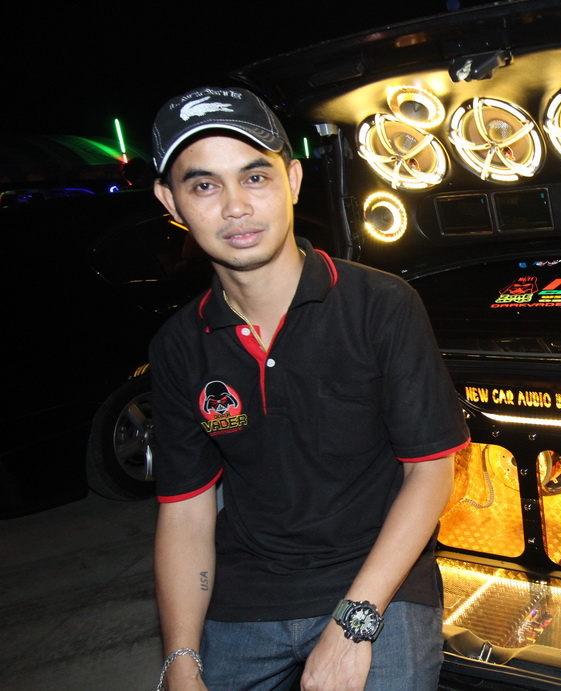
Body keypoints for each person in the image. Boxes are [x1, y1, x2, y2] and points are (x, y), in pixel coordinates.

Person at [148, 86, 469, 691]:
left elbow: (430, 472)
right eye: (205, 185)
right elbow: (186, 511)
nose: (236, 207)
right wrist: (180, 659)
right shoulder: (178, 345)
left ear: (293, 181)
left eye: (255, 177)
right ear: (172, 201)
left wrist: (352, 626)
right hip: (248, 592)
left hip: (377, 579)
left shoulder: (381, 305)